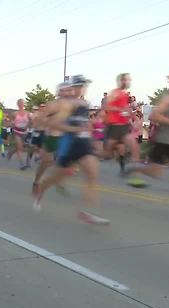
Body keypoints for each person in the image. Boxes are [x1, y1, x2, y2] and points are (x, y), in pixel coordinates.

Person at [33, 75, 110, 225]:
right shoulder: (66, 105)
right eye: (80, 86)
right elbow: (55, 125)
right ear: (72, 88)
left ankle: (87, 212)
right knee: (55, 178)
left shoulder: (84, 103)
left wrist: (90, 135)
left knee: (92, 175)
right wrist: (73, 128)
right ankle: (40, 191)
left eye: (83, 86)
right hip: (69, 146)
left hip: (84, 144)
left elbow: (83, 122)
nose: (82, 89)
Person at [122, 73, 169, 220]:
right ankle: (135, 167)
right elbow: (154, 116)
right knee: (156, 173)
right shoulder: (168, 98)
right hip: (164, 141)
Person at [102, 73, 141, 175]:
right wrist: (119, 109)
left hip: (123, 126)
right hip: (114, 126)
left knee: (133, 147)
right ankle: (84, 154)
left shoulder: (124, 94)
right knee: (106, 154)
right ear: (120, 81)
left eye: (128, 80)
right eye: (124, 80)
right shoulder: (115, 93)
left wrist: (134, 118)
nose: (127, 82)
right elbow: (106, 107)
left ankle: (135, 175)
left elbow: (126, 109)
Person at [7, 98, 30, 168]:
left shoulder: (27, 113)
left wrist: (29, 124)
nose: (21, 105)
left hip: (24, 132)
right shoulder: (14, 113)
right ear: (17, 104)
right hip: (16, 132)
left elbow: (31, 122)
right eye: (19, 103)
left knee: (20, 147)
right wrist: (12, 123)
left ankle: (11, 152)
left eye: (22, 103)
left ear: (24, 104)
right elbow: (10, 121)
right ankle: (22, 164)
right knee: (20, 147)